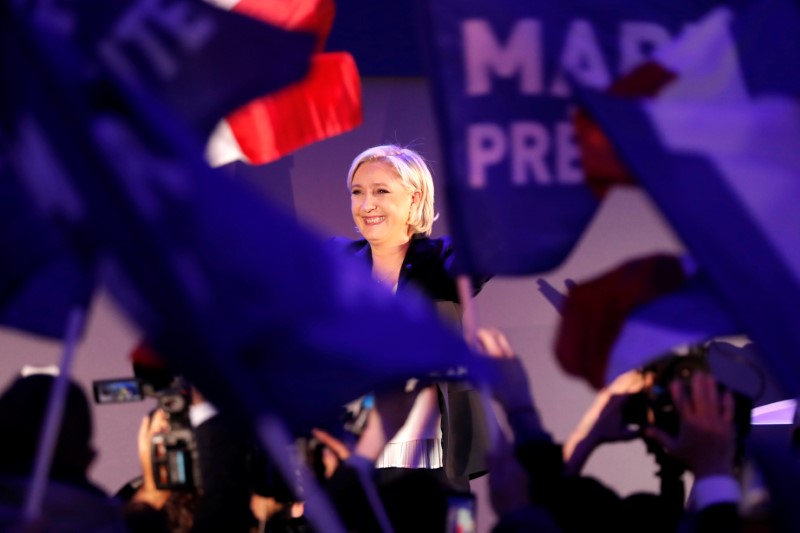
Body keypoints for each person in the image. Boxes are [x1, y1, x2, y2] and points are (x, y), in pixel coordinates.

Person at [330, 144, 490, 491]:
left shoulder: (441, 260)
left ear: (414, 199)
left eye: (381, 191)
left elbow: (493, 249)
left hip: (428, 458)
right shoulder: (338, 261)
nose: (366, 204)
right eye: (357, 193)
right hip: (356, 455)